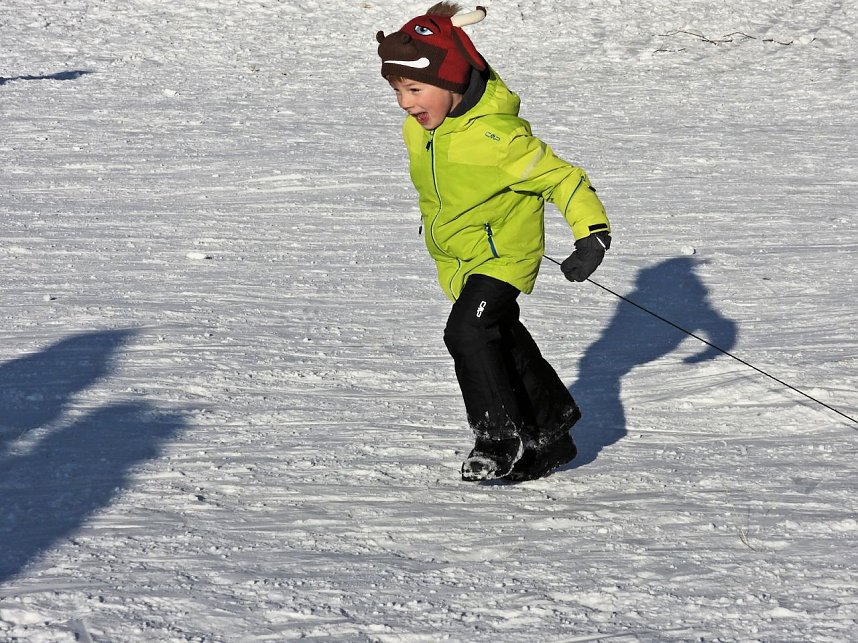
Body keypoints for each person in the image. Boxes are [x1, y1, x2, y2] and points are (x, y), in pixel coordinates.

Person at [376, 2, 612, 481]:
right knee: (502, 339)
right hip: (459, 257)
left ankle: (496, 436)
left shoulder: (497, 137)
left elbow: (563, 179)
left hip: (503, 256)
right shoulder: (420, 132)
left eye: (415, 88)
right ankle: (552, 430)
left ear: (453, 81)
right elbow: (442, 187)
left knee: (466, 332)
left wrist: (591, 235)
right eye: (398, 90)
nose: (405, 102)